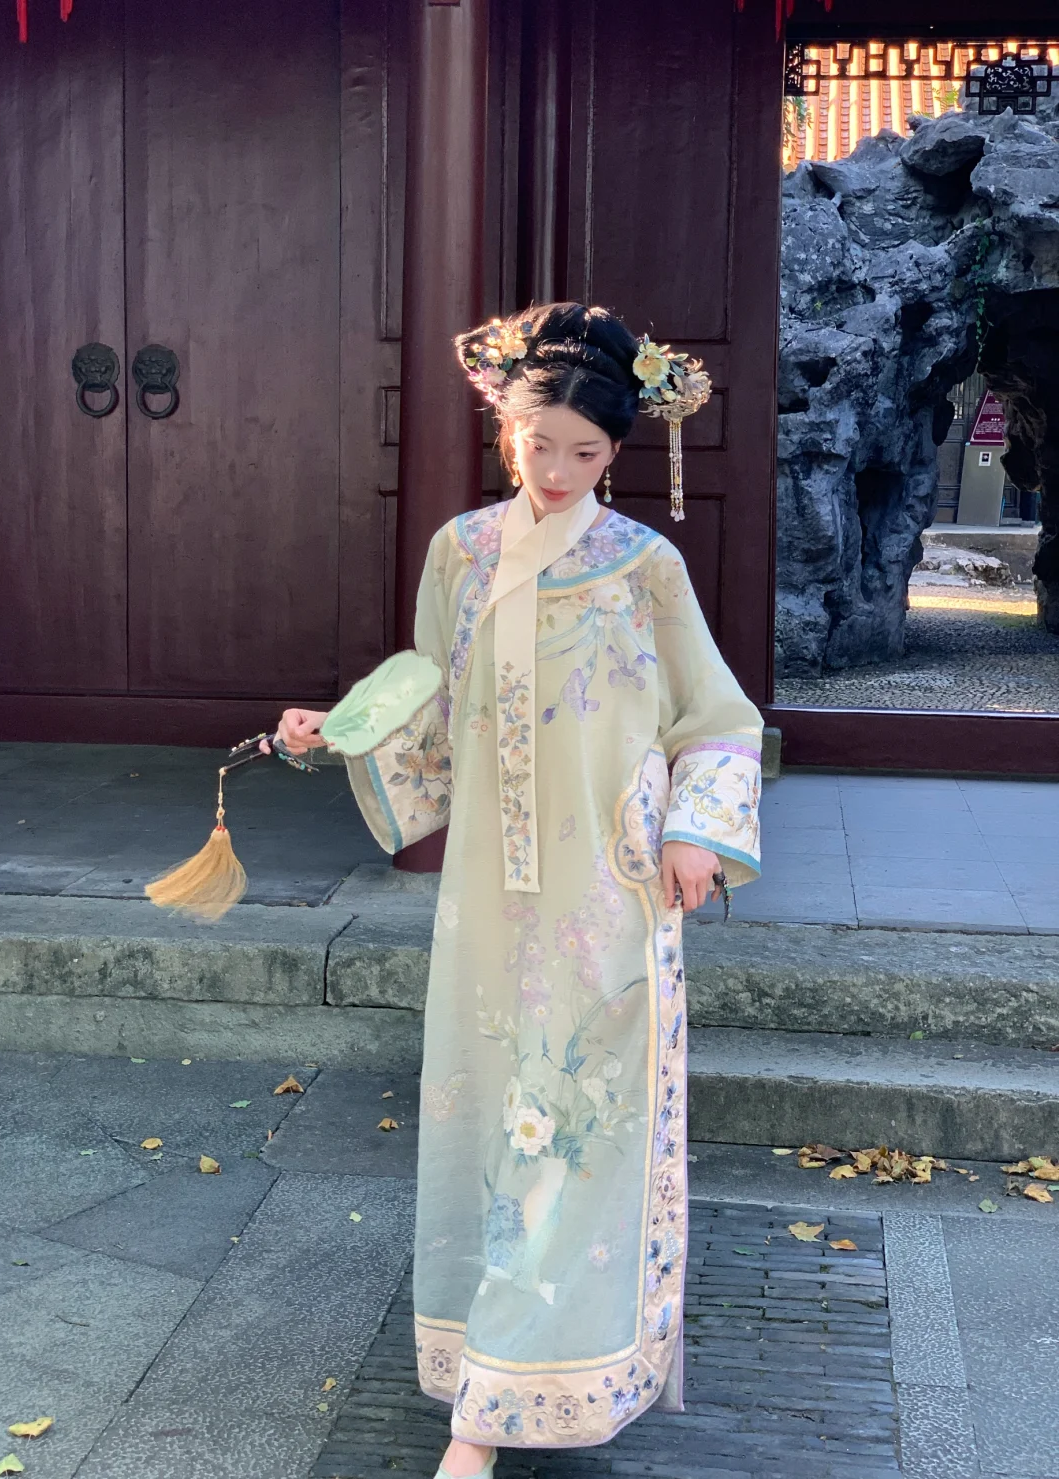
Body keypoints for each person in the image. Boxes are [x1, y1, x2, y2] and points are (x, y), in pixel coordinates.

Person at [268, 302, 763, 1477]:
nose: (556, 471)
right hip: (492, 896)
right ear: (505, 427)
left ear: (618, 451)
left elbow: (720, 719)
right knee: (491, 1118)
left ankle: (511, 1403)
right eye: (538, 445)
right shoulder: (462, 552)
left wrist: (697, 833)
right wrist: (337, 731)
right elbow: (434, 708)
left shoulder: (646, 567)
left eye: (585, 453)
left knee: (580, 1127)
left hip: (611, 891)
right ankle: (489, 1375)